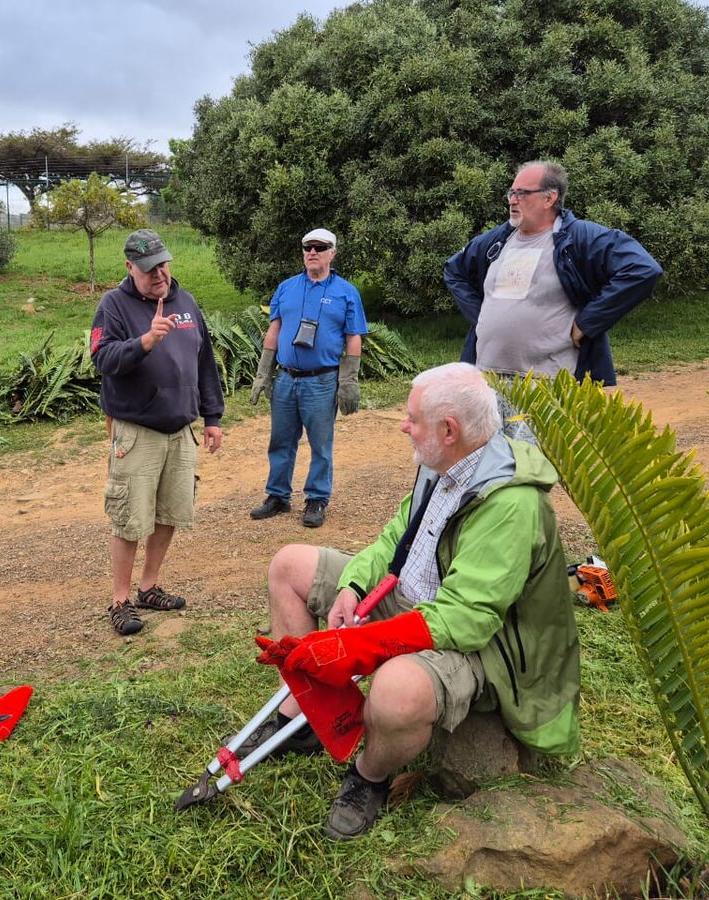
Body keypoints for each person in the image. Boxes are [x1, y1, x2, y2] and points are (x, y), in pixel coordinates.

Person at [245, 363, 580, 840]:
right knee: (289, 567)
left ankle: (369, 776)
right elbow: (395, 541)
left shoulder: (510, 504)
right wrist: (354, 587)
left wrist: (364, 647)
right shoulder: (443, 462)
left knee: (396, 692)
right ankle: (302, 720)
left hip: (481, 647)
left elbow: (466, 620)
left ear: (449, 430)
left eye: (412, 417)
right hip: (412, 601)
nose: (403, 425)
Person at [443, 160, 661, 435]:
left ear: (550, 197)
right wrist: (481, 316)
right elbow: (454, 270)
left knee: (532, 469)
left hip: (545, 384)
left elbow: (642, 269)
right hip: (487, 381)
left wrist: (588, 322)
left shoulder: (579, 237)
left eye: (522, 193)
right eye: (511, 193)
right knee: (490, 469)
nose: (513, 200)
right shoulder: (498, 240)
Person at [90, 229, 225, 636]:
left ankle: (148, 587)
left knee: (171, 512)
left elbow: (204, 362)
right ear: (130, 268)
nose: (159, 274)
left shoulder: (186, 303)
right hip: (138, 431)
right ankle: (119, 599)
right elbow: (102, 359)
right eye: (149, 269)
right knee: (130, 517)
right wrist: (145, 341)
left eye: (163, 265)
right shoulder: (113, 306)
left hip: (181, 428)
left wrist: (213, 417)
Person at [249, 227, 369, 528]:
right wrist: (263, 372)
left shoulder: (346, 292)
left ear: (332, 252)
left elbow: (354, 338)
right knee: (281, 440)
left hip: (321, 381)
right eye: (307, 247)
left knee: (320, 444)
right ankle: (277, 495)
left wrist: (349, 381)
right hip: (286, 379)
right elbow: (274, 330)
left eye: (319, 247)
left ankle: (316, 498)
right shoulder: (286, 287)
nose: (312, 252)